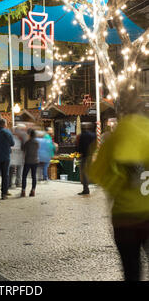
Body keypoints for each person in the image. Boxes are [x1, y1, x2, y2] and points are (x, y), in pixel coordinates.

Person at [88, 104, 149, 281]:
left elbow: (96, 172)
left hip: (124, 217)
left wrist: (117, 185)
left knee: (131, 269)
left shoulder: (115, 139)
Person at [75, 123, 96, 195]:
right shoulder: (94, 135)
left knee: (84, 173)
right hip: (92, 155)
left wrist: (79, 152)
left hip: (84, 156)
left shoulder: (81, 136)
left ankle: (86, 189)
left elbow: (79, 147)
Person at [21, 128, 39, 197]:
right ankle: (33, 190)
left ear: (30, 135)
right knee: (34, 176)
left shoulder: (28, 142)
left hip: (28, 161)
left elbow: (23, 148)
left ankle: (23, 191)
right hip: (35, 160)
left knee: (24, 176)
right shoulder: (37, 142)